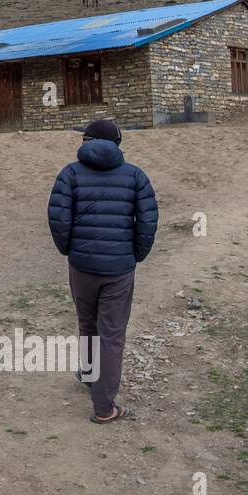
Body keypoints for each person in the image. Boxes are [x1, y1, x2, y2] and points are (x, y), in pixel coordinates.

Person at [47, 118, 158, 423]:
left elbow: (58, 219)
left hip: (81, 266)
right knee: (112, 335)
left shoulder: (69, 174)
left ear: (87, 141)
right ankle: (104, 407)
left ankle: (88, 371)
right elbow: (147, 222)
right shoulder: (136, 176)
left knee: (87, 322)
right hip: (119, 269)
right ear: (118, 144)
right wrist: (134, 255)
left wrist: (69, 250)